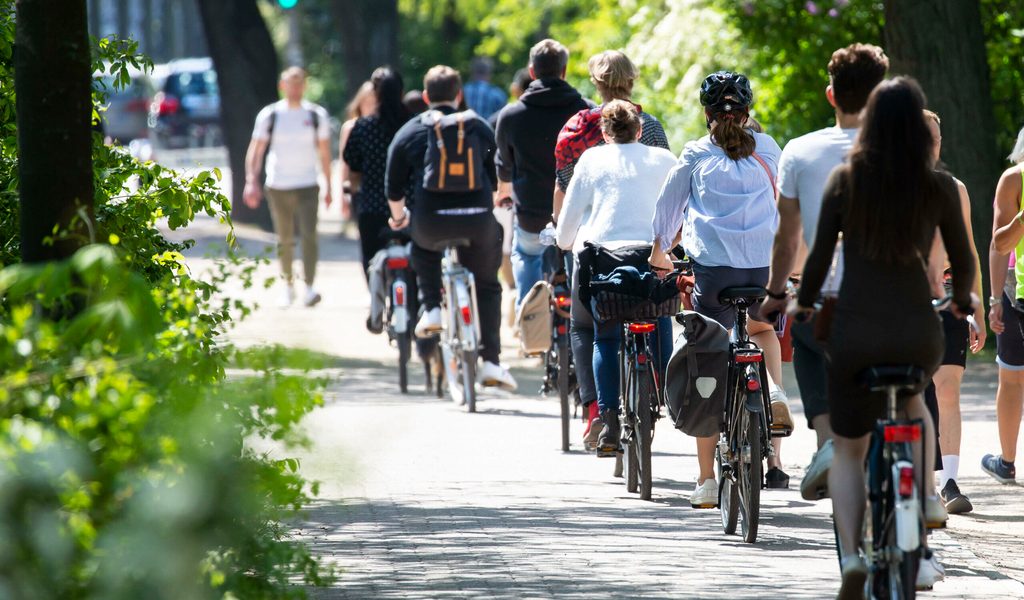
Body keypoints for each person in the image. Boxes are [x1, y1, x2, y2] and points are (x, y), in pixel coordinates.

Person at [793, 77, 975, 596]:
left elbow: (818, 258)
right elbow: (962, 260)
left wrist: (804, 304)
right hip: (916, 331)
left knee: (851, 448)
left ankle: (852, 555)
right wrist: (963, 301)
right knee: (916, 400)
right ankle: (928, 498)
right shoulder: (937, 186)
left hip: (856, 332)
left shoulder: (846, 180)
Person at [650, 71, 794, 507]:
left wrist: (660, 251)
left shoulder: (696, 153)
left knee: (709, 357)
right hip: (764, 270)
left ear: (706, 113)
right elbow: (786, 206)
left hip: (714, 275)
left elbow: (668, 210)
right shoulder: (768, 149)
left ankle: (706, 479)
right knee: (761, 330)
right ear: (747, 113)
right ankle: (772, 392)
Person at [758, 44, 889, 501]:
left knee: (808, 340)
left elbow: (787, 238)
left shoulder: (800, 151)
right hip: (895, 298)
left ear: (831, 95)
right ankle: (924, 484)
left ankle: (828, 441)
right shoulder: (906, 147)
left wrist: (777, 291)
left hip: (830, 300)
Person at [552, 49, 670, 450]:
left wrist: (564, 240)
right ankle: (663, 386)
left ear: (605, 132)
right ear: (638, 130)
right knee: (660, 309)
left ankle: (604, 418)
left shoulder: (586, 151)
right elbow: (676, 207)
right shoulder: (661, 151)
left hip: (601, 259)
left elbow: (566, 214)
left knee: (598, 332)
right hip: (650, 256)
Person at [385, 65, 517, 391]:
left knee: (423, 247)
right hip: (477, 221)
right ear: (459, 95)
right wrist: (499, 197)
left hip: (431, 220)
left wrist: (399, 218)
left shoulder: (411, 131)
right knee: (487, 285)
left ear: (426, 96)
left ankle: (431, 308)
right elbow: (500, 172)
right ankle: (491, 361)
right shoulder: (478, 126)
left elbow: (393, 187)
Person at [495, 39, 593, 310]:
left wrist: (504, 193)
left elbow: (504, 166)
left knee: (527, 255)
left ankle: (530, 314)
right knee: (578, 261)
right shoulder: (586, 110)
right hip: (576, 215)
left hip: (532, 214)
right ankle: (581, 315)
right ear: (564, 71)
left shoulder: (511, 115)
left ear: (532, 71)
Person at [922, 109, 987, 514]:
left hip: (948, 297)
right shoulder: (888, 185)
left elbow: (968, 251)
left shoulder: (954, 188)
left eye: (936, 138)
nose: (931, 144)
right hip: (904, 297)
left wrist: (976, 305)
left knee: (947, 388)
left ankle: (949, 482)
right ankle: (917, 481)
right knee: (912, 390)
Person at [244, 66, 333, 308]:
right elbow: (256, 150)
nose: (295, 89)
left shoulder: (316, 115)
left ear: (304, 86)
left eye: (299, 84)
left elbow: (325, 152)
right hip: (278, 185)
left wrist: (329, 184)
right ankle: (287, 286)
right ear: (282, 86)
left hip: (308, 184)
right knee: (284, 238)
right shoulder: (270, 115)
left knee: (309, 235)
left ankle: (310, 286)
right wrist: (251, 180)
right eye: (290, 84)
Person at [982, 124, 1024, 485]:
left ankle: (1007, 461)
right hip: (1016, 292)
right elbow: (1000, 243)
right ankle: (1007, 461)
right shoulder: (1015, 180)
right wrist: (995, 298)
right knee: (1011, 378)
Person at [342, 68, 411, 280]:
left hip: (372, 205)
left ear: (376, 94)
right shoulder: (413, 124)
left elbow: (351, 160)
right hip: (410, 206)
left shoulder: (363, 127)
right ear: (402, 92)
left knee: (371, 260)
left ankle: (376, 295)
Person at [491, 67, 535, 320]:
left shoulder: (504, 117)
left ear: (515, 89)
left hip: (508, 194)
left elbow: (493, 158)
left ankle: (517, 301)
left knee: (509, 249)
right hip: (543, 197)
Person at [339, 81, 378, 224]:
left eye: (374, 103)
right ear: (359, 104)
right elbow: (344, 163)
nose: (371, 107)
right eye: (367, 102)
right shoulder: (350, 127)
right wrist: (343, 195)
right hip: (358, 187)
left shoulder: (384, 127)